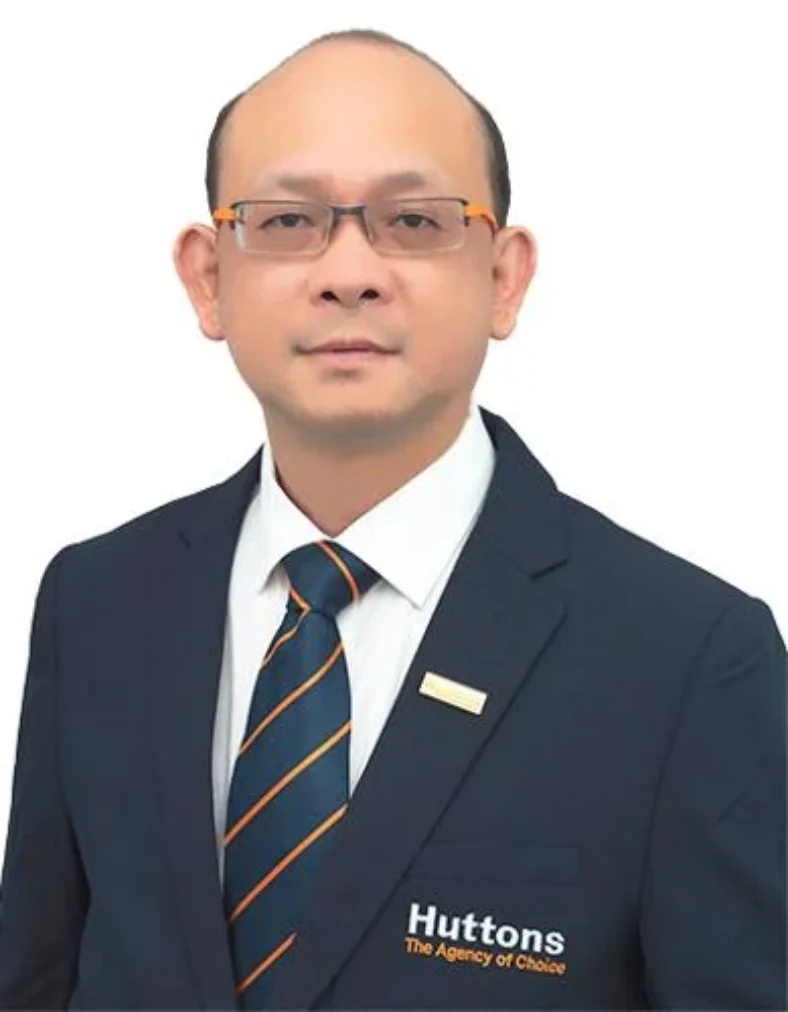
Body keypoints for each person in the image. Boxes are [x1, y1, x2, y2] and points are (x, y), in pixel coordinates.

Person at [0, 26, 785, 1012]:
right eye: (287, 221)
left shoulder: (689, 658)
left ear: (503, 277)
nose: (348, 272)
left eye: (413, 221)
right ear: (208, 277)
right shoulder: (96, 602)